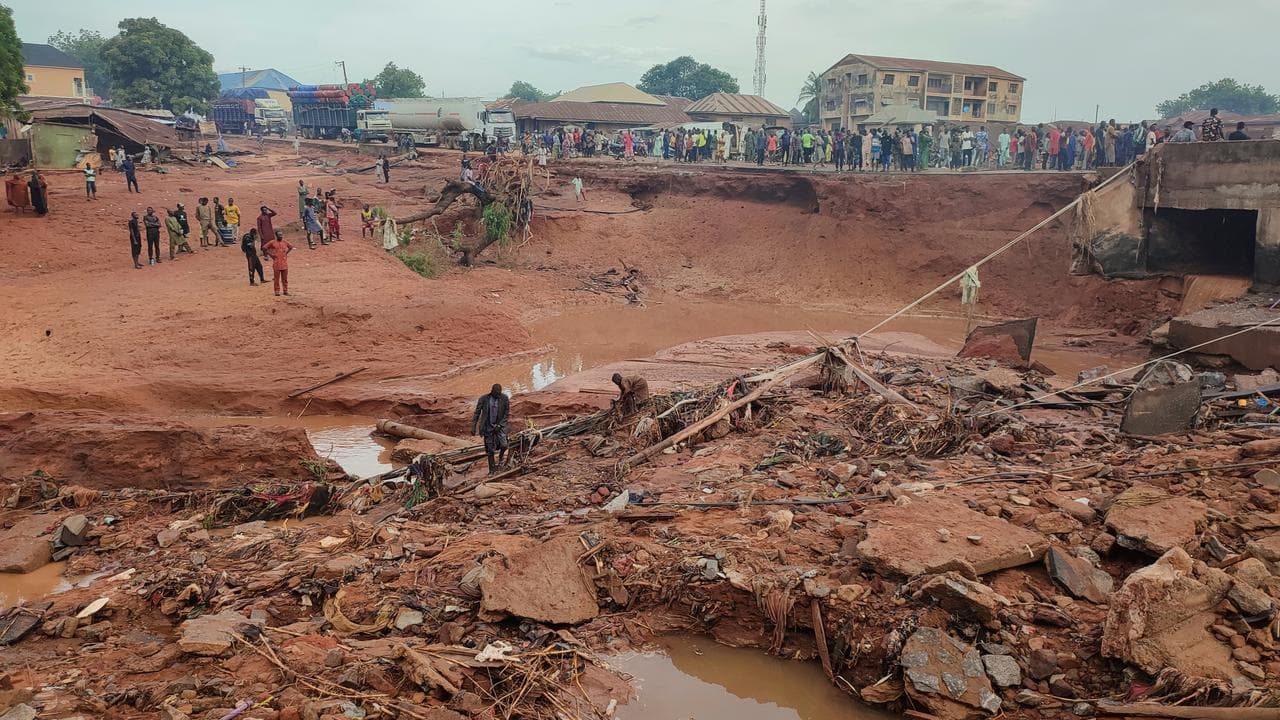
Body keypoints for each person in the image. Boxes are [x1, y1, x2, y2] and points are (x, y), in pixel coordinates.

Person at [472, 384, 510, 475]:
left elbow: (506, 413)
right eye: (496, 393)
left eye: (499, 393)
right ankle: (492, 470)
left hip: (500, 427)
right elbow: (477, 413)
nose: (498, 395)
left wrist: (500, 425)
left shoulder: (504, 398)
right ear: (492, 391)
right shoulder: (484, 399)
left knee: (504, 445)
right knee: (490, 450)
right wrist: (473, 427)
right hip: (487, 427)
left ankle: (501, 457)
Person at [264, 230, 294, 296]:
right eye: (279, 235)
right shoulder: (272, 242)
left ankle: (285, 291)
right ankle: (277, 291)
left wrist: (286, 253)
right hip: (276, 263)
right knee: (276, 279)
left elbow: (291, 247)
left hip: (284, 263)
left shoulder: (285, 242)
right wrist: (271, 255)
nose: (281, 236)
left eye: (281, 235)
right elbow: (264, 247)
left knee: (285, 279)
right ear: (276, 236)